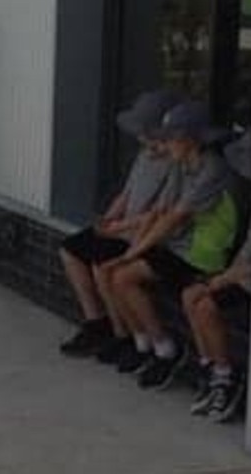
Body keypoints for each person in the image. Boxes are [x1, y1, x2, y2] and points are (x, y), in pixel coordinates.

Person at [106, 100, 239, 390]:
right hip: (180, 246)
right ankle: (150, 345)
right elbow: (159, 213)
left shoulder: (212, 169)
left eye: (171, 138)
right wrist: (134, 246)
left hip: (204, 256)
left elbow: (174, 219)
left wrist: (132, 253)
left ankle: (166, 350)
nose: (165, 144)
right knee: (119, 274)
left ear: (189, 139)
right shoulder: (182, 165)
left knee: (123, 275)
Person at [57, 89, 183, 357]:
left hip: (140, 235)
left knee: (104, 268)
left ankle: (123, 334)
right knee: (70, 249)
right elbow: (127, 193)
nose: (145, 138)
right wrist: (110, 217)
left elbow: (160, 214)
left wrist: (120, 228)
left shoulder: (175, 165)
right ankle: (96, 322)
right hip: (121, 227)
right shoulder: (144, 156)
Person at [182, 126, 251, 422]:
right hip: (239, 270)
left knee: (205, 305)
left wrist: (225, 279)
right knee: (190, 294)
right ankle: (210, 368)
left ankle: (226, 377)